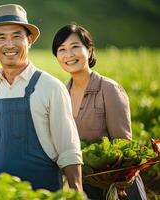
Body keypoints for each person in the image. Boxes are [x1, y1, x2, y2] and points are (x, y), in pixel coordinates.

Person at [0, 4, 83, 192]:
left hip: (43, 194)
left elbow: (68, 149)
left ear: (29, 40)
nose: (9, 45)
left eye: (17, 36)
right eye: (1, 37)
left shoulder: (51, 87)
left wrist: (77, 192)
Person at [52, 24, 147, 199]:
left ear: (89, 50)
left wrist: (109, 176)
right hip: (85, 186)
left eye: (75, 47)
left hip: (119, 185)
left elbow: (123, 145)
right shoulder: (61, 95)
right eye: (61, 49)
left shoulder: (109, 89)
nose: (68, 54)